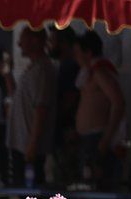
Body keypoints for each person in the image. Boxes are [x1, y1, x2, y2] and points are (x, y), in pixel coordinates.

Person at [0, 27, 56, 189]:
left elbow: (41, 109)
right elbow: (18, 97)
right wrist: (7, 75)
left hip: (28, 145)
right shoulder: (33, 69)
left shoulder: (42, 71)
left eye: (22, 40)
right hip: (21, 142)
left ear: (35, 41)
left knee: (29, 189)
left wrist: (32, 144)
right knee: (21, 186)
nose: (18, 44)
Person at [73, 31, 124, 186]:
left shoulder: (100, 73)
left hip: (97, 139)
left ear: (87, 52)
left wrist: (105, 139)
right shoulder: (90, 73)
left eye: (77, 53)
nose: (75, 57)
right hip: (89, 139)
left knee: (97, 186)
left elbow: (118, 103)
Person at [48, 27, 81, 185]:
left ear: (64, 44)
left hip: (68, 132)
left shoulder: (70, 67)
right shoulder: (63, 66)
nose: (49, 44)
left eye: (53, 41)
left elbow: (70, 98)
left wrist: (54, 116)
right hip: (63, 132)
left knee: (66, 180)